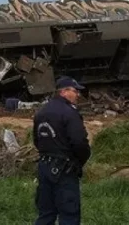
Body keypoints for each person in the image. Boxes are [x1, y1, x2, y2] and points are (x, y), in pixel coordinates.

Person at [33, 76, 91, 225]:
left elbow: (37, 140)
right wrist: (80, 161)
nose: (78, 94)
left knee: (45, 213)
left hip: (44, 167)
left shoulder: (41, 112)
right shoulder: (69, 113)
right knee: (69, 215)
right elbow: (79, 143)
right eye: (75, 91)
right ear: (64, 92)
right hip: (64, 169)